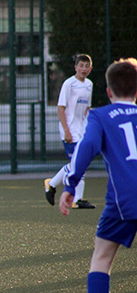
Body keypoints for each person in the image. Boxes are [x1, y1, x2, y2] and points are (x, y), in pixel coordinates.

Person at [59, 58, 137, 292]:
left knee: (102, 258)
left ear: (108, 91)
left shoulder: (101, 116)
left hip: (123, 200)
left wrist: (70, 185)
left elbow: (86, 148)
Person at [44, 54, 95, 209]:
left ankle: (62, 191)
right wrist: (66, 131)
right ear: (75, 67)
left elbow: (87, 109)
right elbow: (61, 109)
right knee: (77, 163)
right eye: (81, 65)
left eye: (87, 66)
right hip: (70, 130)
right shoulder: (69, 84)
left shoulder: (89, 85)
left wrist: (89, 127)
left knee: (80, 163)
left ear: (90, 69)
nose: (84, 69)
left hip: (81, 130)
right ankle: (53, 185)